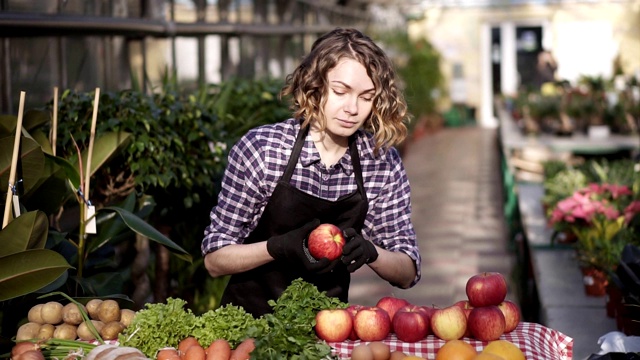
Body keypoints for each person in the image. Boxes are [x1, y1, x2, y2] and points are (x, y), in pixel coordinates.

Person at [201, 27, 421, 317]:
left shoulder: (380, 162)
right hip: (247, 329)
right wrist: (277, 247)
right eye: (340, 91)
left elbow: (407, 272)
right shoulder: (263, 150)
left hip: (327, 332)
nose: (352, 108)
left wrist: (371, 253)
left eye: (366, 97)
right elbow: (215, 260)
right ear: (314, 86)